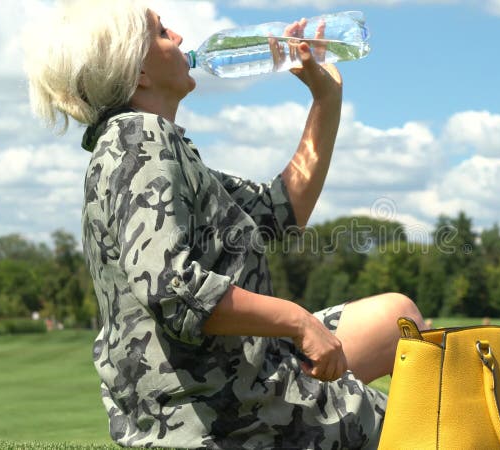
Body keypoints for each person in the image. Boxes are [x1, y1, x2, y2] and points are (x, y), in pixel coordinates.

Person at [25, 1, 426, 448]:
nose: (178, 38)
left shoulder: (147, 145)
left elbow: (279, 213)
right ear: (137, 71)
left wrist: (325, 100)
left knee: (397, 318)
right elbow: (172, 290)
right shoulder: (140, 139)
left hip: (222, 382)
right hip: (224, 415)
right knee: (429, 419)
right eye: (161, 33)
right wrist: (297, 322)